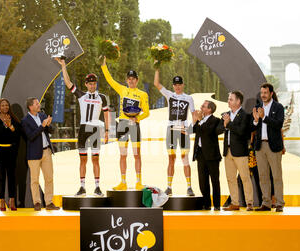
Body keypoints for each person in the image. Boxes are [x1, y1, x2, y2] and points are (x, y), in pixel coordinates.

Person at [56, 58, 109, 196]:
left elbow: (106, 114)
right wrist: (63, 66)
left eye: (94, 84)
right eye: (90, 84)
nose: (92, 86)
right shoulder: (81, 95)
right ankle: (82, 187)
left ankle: (97, 187)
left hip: (96, 129)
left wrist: (108, 130)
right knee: (83, 159)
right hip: (84, 129)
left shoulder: (102, 97)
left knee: (96, 159)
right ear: (86, 84)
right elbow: (68, 83)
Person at [101, 56, 150, 190]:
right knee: (123, 155)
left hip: (134, 125)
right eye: (129, 79)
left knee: (136, 154)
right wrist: (103, 66)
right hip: (122, 124)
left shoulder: (142, 94)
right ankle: (123, 182)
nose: (131, 81)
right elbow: (110, 80)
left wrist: (137, 119)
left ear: (137, 80)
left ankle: (138, 182)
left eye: (133, 78)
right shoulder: (122, 89)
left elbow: (147, 112)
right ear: (126, 80)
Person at [153, 68, 196, 196]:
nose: (177, 87)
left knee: (185, 158)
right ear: (173, 86)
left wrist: (191, 129)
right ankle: (169, 187)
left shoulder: (189, 98)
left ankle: (189, 187)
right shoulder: (169, 95)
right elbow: (156, 84)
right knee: (171, 158)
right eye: (175, 85)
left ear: (183, 85)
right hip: (171, 129)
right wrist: (157, 68)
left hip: (183, 129)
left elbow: (193, 115)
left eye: (179, 84)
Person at [21, 97, 60, 211]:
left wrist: (48, 124)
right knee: (34, 180)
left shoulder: (43, 116)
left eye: (39, 103)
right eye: (37, 103)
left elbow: (51, 131)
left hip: (46, 151)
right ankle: (37, 202)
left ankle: (49, 202)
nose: (39, 105)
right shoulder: (25, 121)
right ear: (30, 106)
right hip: (33, 154)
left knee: (49, 178)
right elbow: (31, 136)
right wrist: (42, 126)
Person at [251, 83, 285, 212]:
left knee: (276, 176)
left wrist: (264, 117)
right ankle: (266, 203)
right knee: (263, 176)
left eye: (265, 93)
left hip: (273, 146)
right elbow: (252, 128)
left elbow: (278, 124)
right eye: (261, 93)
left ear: (271, 93)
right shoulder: (257, 107)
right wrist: (255, 120)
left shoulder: (278, 107)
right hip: (260, 146)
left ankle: (279, 203)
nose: (263, 95)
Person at [222, 91, 254, 211]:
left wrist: (229, 124)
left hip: (240, 151)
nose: (228, 101)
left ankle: (249, 202)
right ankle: (235, 202)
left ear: (238, 101)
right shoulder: (226, 115)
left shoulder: (245, 115)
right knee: (230, 178)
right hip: (228, 151)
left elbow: (242, 132)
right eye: (228, 99)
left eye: (231, 99)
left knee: (245, 178)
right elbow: (222, 128)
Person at [0, 98, 22, 211]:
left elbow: (17, 135)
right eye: (2, 105)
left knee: (12, 177)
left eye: (7, 105)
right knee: (1, 177)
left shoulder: (13, 119)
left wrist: (11, 126)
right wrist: (5, 125)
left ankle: (12, 200)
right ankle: (2, 200)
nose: (5, 107)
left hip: (11, 152)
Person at [192, 100, 224, 210]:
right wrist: (194, 120)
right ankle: (206, 204)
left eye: (203, 106)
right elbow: (193, 130)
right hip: (200, 154)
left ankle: (216, 205)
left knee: (215, 181)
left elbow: (208, 131)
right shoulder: (200, 120)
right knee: (202, 181)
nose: (201, 107)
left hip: (212, 155)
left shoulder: (215, 120)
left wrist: (200, 120)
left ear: (209, 109)